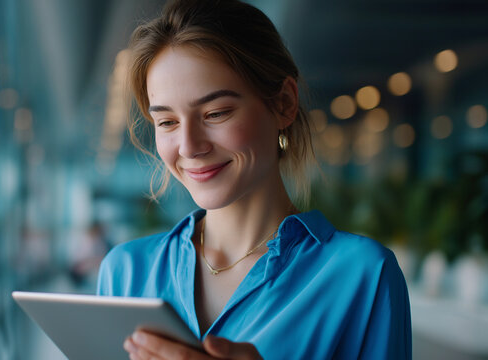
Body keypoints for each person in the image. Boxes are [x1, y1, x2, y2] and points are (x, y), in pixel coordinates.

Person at [97, 0, 412, 359]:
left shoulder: (362, 276)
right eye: (167, 122)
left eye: (216, 113)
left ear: (283, 104)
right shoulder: (126, 272)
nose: (189, 146)